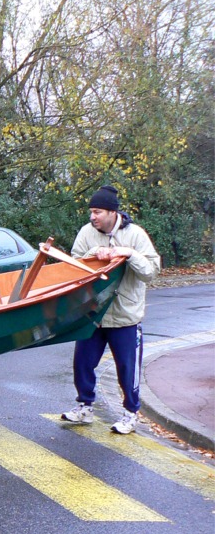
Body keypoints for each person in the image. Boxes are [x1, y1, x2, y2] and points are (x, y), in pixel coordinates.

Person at [61, 185, 160, 434]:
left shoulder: (136, 235)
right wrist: (97, 253)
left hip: (125, 317)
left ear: (112, 213)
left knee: (127, 369)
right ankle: (84, 407)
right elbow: (75, 264)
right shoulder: (87, 232)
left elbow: (151, 272)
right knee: (82, 363)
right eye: (91, 212)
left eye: (97, 212)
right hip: (93, 314)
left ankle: (130, 414)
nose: (92, 217)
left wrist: (128, 253)